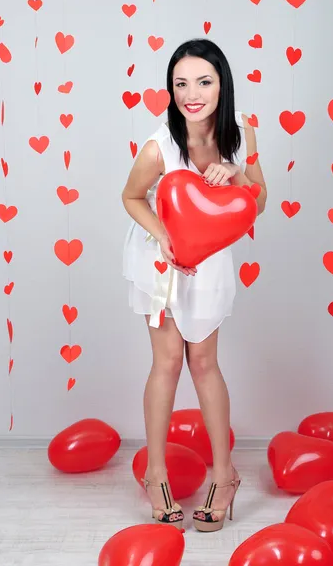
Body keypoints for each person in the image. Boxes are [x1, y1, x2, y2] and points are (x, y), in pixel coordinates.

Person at [122, 38, 267, 532]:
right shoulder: (159, 146)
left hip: (209, 261)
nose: (192, 93)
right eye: (181, 83)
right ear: (171, 90)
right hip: (161, 262)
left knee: (204, 363)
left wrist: (238, 179)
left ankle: (225, 476)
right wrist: (161, 236)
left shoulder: (241, 133)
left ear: (222, 83)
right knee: (166, 363)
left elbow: (259, 199)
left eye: (203, 81)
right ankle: (156, 473)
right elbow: (132, 196)